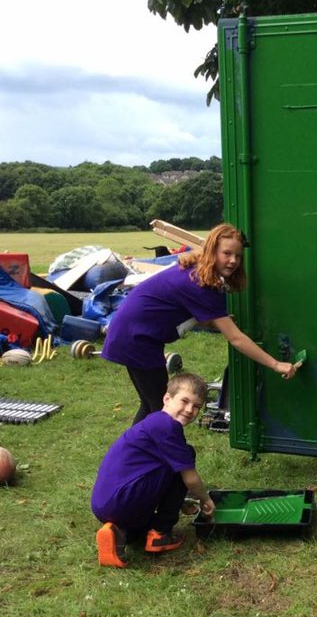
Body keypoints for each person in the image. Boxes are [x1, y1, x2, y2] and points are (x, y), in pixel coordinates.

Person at [102, 222, 301, 424]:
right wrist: (276, 364)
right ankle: (147, 444)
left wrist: (215, 322)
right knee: (162, 410)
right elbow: (236, 338)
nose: (233, 261)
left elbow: (184, 310)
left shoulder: (199, 272)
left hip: (129, 333)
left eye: (238, 256)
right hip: (136, 339)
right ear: (212, 251)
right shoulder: (200, 283)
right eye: (226, 253)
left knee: (151, 404)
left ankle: (134, 444)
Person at [92, 372, 215, 568]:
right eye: (184, 401)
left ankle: (117, 532)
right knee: (185, 458)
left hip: (105, 503)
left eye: (196, 407)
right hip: (125, 499)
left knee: (138, 534)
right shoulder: (167, 427)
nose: (189, 410)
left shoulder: (154, 421)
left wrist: (179, 501)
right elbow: (190, 479)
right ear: (167, 398)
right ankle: (160, 533)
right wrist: (205, 499)